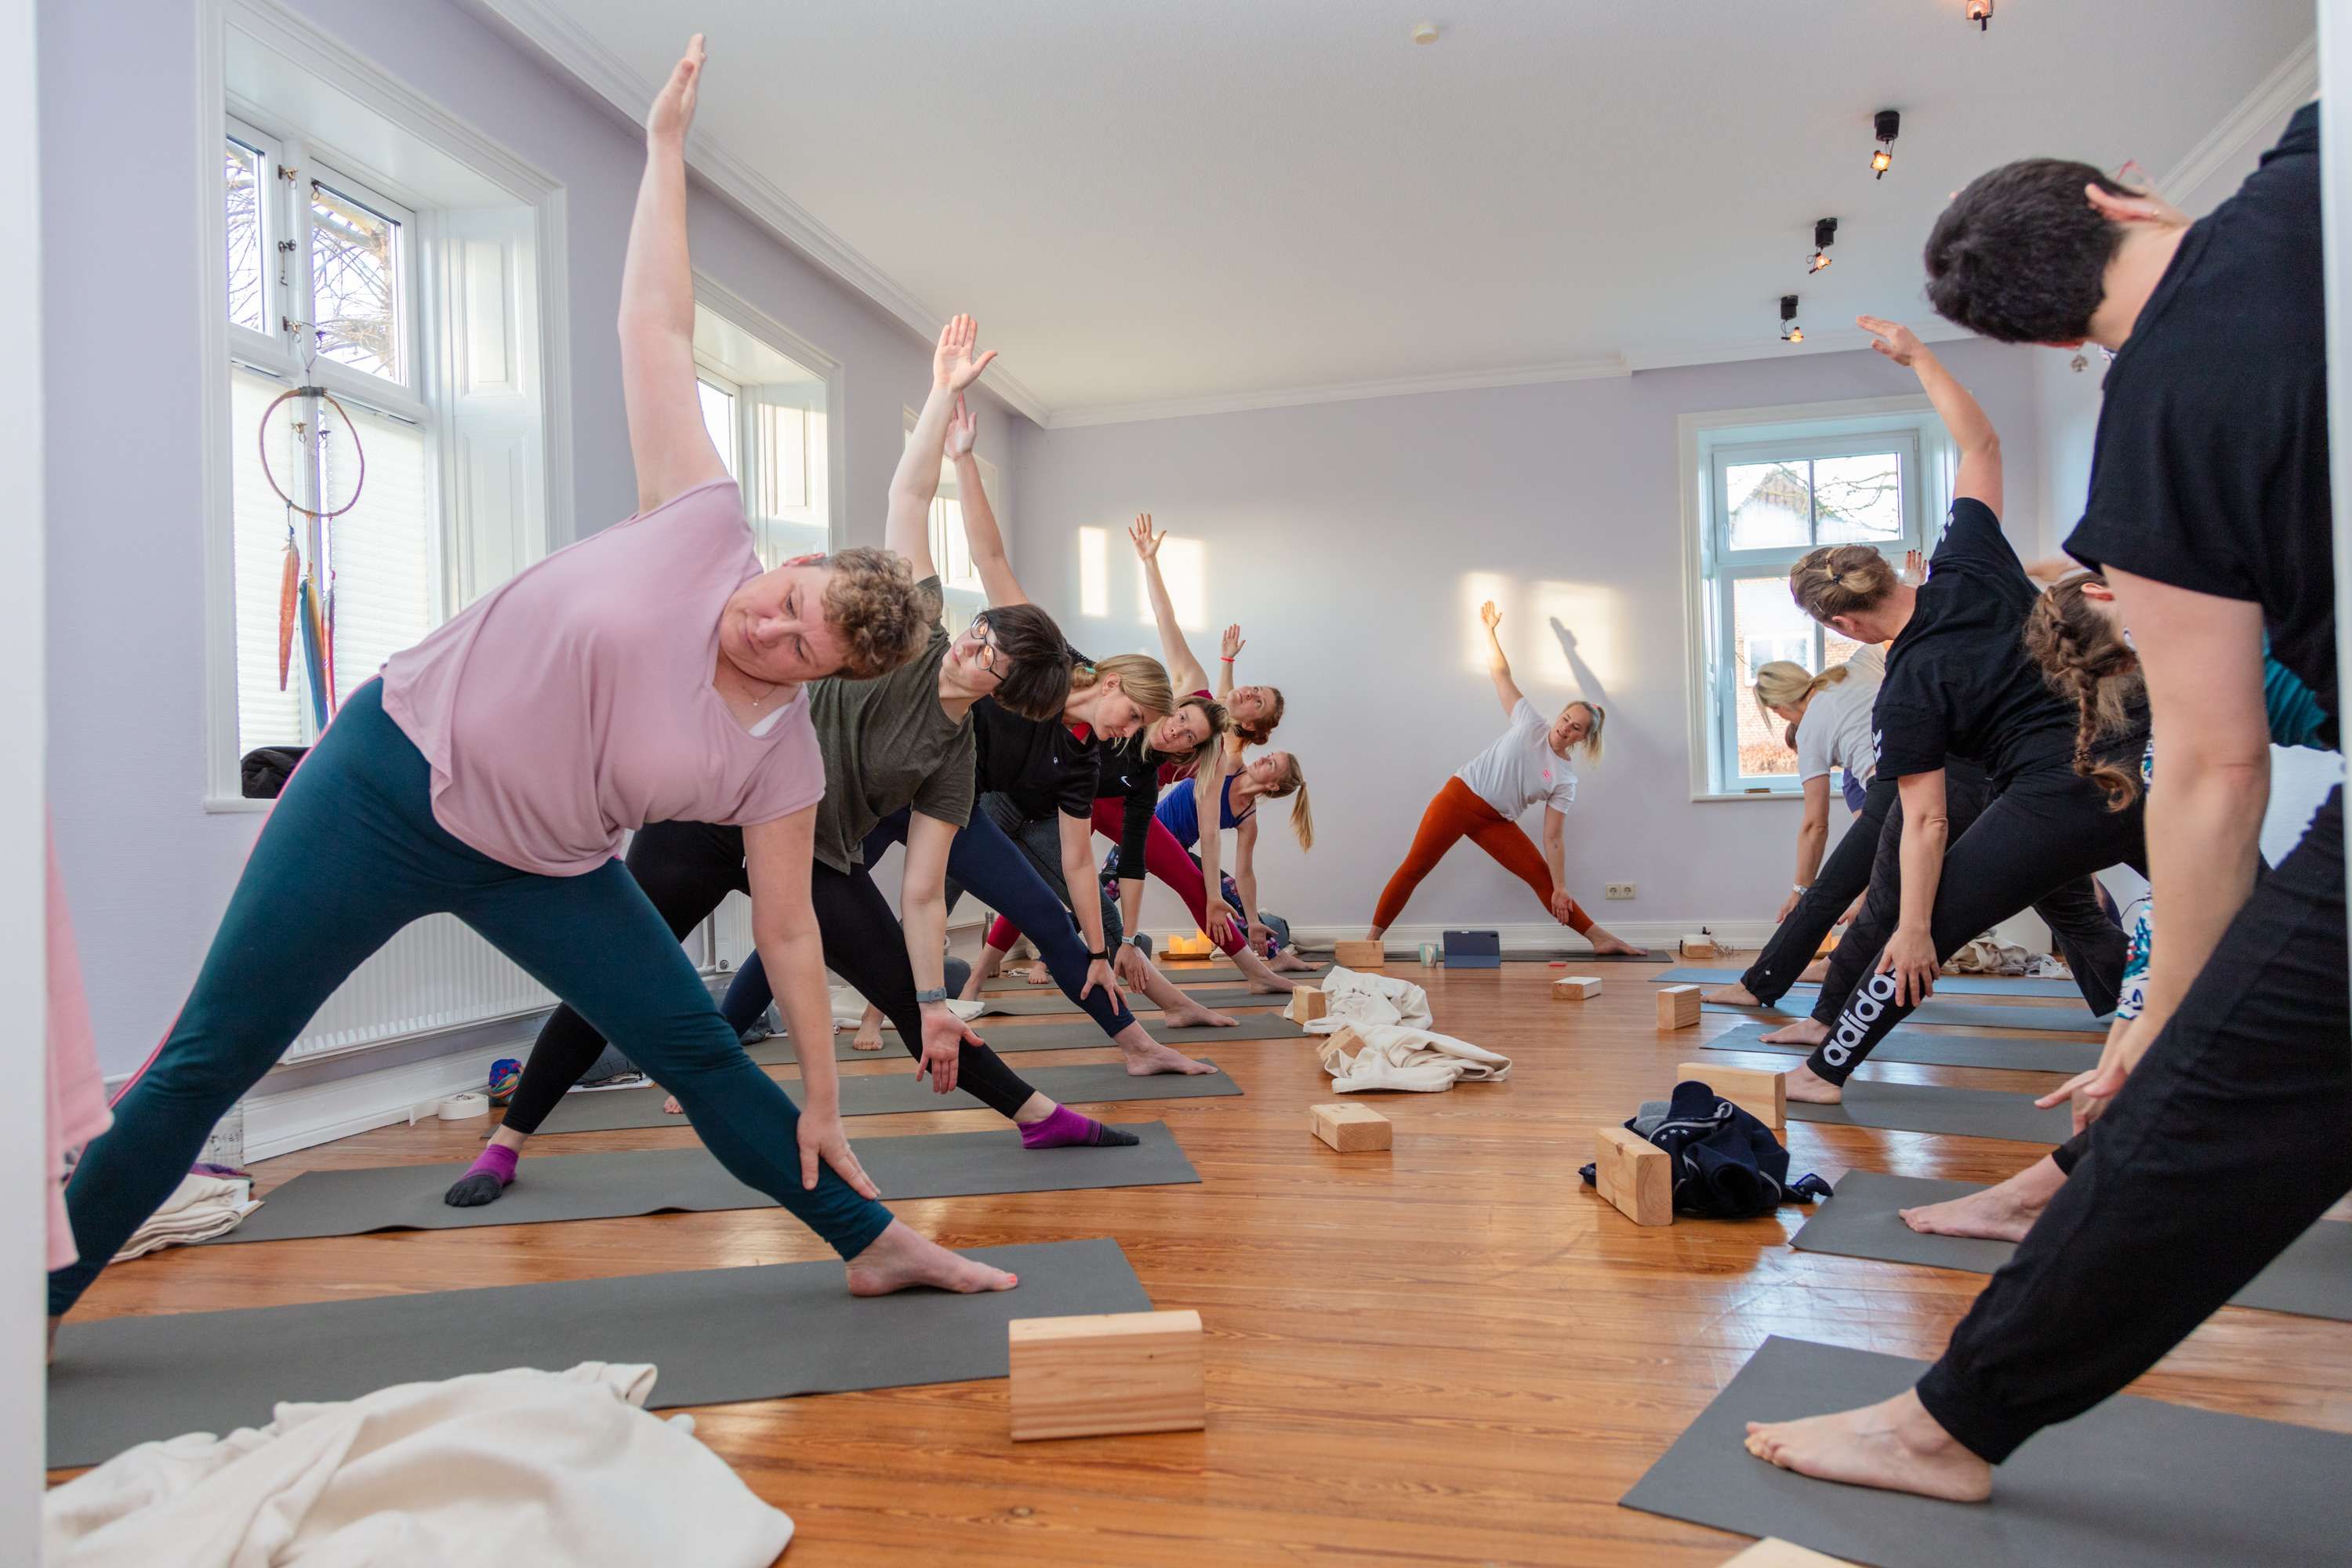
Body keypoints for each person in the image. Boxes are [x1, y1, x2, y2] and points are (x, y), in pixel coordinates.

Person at [50, 37, 1018, 1329]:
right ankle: (36, 1304)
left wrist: (830, 1101)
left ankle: (873, 1240)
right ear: (789, 564)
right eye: (785, 602)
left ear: (830, 680)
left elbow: (789, 933)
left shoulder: (778, 761)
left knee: (688, 1044)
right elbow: (653, 323)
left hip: (546, 866)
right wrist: (667, 153)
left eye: (805, 650)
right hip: (384, 783)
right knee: (210, 1058)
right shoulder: (698, 516)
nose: (769, 632)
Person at [1745, 107, 2349, 1504]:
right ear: (2121, 203)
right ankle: (1999, 1139)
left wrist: (2164, 1016)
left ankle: (1944, 1417)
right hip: (2089, 782)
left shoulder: (2152, 429)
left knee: (2196, 1095)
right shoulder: (2310, 170)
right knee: (2038, 924)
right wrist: (1912, 359)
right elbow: (1972, 453)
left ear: (2055, 339)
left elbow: (2215, 762)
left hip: (2091, 783)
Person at [443, 325, 1145, 1210]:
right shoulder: (913, 629)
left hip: (804, 850)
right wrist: (938, 395)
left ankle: (1035, 1110)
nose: (971, 647)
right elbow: (907, 493)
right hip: (706, 814)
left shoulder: (950, 765)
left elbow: (924, 891)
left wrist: (935, 993)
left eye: (989, 659)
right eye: (980, 633)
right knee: (613, 976)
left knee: (903, 989)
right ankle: (507, 1140)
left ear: (1007, 693)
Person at [1759, 318, 2145, 1104]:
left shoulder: (1908, 685)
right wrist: (1920, 356)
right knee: (2259, 910)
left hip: (2058, 793)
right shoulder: (1967, 557)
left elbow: (1927, 824)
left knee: (1926, 929)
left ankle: (1825, 1071)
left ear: (1842, 624)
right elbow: (1982, 448)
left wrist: (1913, 923)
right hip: (2142, 751)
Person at [1898, 568, 2332, 1243]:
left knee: (2238, 1021)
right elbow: (2182, 891)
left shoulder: (2195, 638)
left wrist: (2141, 1022)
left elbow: (2196, 873)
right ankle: (2036, 1195)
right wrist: (2136, 1021)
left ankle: (2031, 1199)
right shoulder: (2211, 629)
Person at [1368, 601, 1642, 953]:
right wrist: (1489, 631)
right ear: (1558, 715)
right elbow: (1501, 674)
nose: (1565, 728)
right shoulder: (1530, 722)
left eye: (1575, 728)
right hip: (1458, 798)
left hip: (1495, 821)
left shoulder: (1565, 779)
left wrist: (1561, 885)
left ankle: (1600, 938)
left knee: (1542, 878)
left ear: (1582, 738)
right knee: (1415, 868)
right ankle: (1371, 941)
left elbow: (1554, 837)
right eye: (1565, 719)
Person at [1703, 650, 1884, 1008]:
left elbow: (1816, 824)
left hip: (1891, 792)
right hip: (1941, 782)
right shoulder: (1856, 666)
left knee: (1823, 898)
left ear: (1778, 708)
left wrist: (1800, 890)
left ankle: (1756, 987)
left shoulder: (1811, 731)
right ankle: (1838, 966)